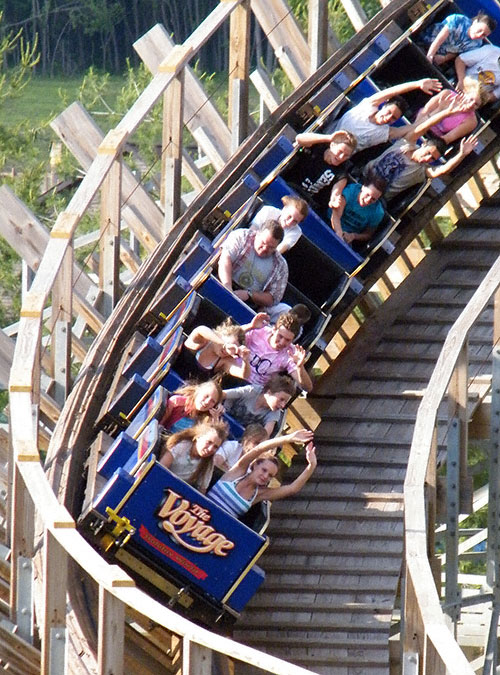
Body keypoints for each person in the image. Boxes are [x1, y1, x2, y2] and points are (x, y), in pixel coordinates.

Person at [365, 96, 478, 201]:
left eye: (432, 159)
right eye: (428, 153)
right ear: (423, 145)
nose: (427, 158)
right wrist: (446, 112)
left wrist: (461, 154)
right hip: (364, 177)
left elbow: (444, 169)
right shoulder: (406, 143)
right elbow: (423, 127)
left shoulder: (422, 171)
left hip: (376, 198)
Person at [207, 428, 316, 519]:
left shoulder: (259, 494)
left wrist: (311, 465)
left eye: (270, 476)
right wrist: (288, 438)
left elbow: (293, 488)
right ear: (255, 465)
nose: (265, 476)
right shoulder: (237, 472)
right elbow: (259, 448)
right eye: (264, 470)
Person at [325, 78, 442, 152]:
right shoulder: (369, 105)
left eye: (393, 118)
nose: (388, 118)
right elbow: (392, 92)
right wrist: (417, 84)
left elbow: (415, 127)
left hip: (338, 155)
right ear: (384, 105)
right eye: (389, 112)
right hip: (324, 138)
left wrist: (440, 112)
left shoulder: (385, 132)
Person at [218, 219, 288, 309]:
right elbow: (225, 259)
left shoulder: (281, 266)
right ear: (257, 233)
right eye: (263, 243)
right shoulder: (241, 236)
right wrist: (227, 287)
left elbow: (273, 298)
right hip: (224, 282)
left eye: (271, 247)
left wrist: (249, 295)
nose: (264, 249)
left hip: (249, 302)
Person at [285, 130, 357, 218]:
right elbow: (299, 138)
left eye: (346, 155)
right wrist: (329, 138)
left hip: (303, 203)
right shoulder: (318, 147)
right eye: (340, 151)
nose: (341, 157)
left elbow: (336, 192)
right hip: (287, 185)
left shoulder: (341, 173)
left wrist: (334, 200)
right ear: (332, 145)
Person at [244, 312, 313, 392]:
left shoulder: (290, 353)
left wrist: (300, 367)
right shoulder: (260, 331)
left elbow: (308, 388)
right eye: (280, 336)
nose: (282, 342)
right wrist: (250, 327)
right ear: (274, 330)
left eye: (287, 340)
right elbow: (229, 339)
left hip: (255, 389)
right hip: (238, 372)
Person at [158, 420, 228, 493]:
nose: (210, 449)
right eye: (208, 442)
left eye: (215, 447)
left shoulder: (208, 463)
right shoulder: (182, 445)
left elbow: (202, 490)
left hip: (178, 493)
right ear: (198, 437)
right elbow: (161, 468)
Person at [413, 79, 486, 145]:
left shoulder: (471, 122)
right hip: (419, 121)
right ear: (465, 93)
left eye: (476, 104)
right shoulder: (447, 94)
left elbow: (447, 139)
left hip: (431, 138)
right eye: (471, 99)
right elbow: (425, 112)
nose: (471, 105)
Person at [178, 318, 251, 382]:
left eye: (232, 349)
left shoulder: (224, 361)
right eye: (228, 343)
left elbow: (244, 375)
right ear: (219, 335)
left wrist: (245, 360)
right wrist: (224, 345)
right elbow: (201, 329)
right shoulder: (203, 340)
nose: (227, 351)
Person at [222, 373, 296, 436]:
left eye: (285, 402)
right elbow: (223, 394)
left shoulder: (275, 413)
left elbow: (265, 434)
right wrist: (219, 404)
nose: (283, 405)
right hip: (224, 420)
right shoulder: (252, 391)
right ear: (269, 392)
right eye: (281, 399)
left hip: (241, 436)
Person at [330, 173, 387, 246]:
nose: (367, 200)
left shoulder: (378, 212)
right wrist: (339, 233)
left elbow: (368, 234)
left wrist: (353, 236)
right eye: (367, 195)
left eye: (373, 199)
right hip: (331, 223)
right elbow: (336, 215)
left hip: (347, 238)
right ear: (363, 188)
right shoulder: (351, 191)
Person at [421, 12, 495, 65]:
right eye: (479, 30)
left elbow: (458, 52)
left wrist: (444, 58)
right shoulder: (459, 20)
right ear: (475, 22)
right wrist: (430, 55)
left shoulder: (477, 44)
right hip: (427, 40)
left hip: (440, 53)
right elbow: (439, 39)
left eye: (484, 35)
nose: (479, 35)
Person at [158, 379, 223, 432]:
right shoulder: (177, 402)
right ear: (198, 392)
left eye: (213, 401)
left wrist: (215, 420)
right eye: (206, 396)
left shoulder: (207, 420)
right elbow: (159, 425)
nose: (207, 402)